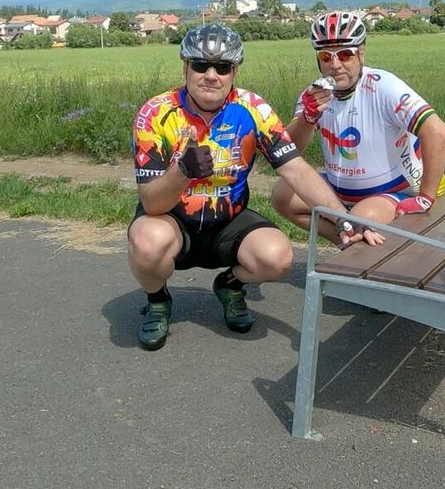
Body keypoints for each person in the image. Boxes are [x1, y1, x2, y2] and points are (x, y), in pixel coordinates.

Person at [128, 23, 382, 351]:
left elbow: (294, 169)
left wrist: (343, 218)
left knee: (277, 257)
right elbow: (151, 203)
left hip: (228, 221)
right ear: (185, 67)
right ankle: (158, 300)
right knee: (147, 242)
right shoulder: (156, 113)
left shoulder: (252, 108)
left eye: (222, 67)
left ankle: (230, 285)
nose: (211, 76)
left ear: (234, 72)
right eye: (200, 65)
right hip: (172, 220)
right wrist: (182, 172)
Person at [273, 11, 445, 236]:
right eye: (326, 57)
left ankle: (353, 238)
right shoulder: (316, 94)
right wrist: (307, 118)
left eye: (345, 55)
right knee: (282, 195)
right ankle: (346, 242)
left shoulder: (383, 86)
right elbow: (287, 150)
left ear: (361, 54)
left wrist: (425, 197)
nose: (335, 65)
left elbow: (438, 132)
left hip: (393, 191)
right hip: (339, 192)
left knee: (360, 219)